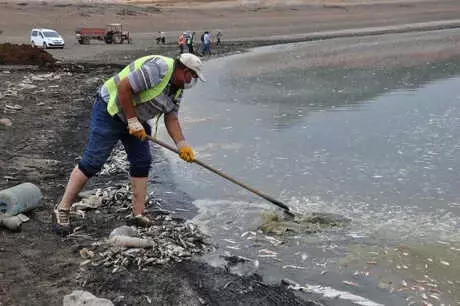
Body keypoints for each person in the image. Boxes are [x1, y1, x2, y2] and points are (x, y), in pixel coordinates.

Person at [53, 53, 206, 235]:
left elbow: (171, 117)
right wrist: (132, 121)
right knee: (93, 162)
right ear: (184, 70)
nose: (193, 81)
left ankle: (137, 214)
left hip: (136, 119)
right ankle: (62, 209)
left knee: (142, 162)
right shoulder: (159, 69)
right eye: (193, 76)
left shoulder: (177, 89)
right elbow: (123, 86)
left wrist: (182, 145)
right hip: (110, 110)